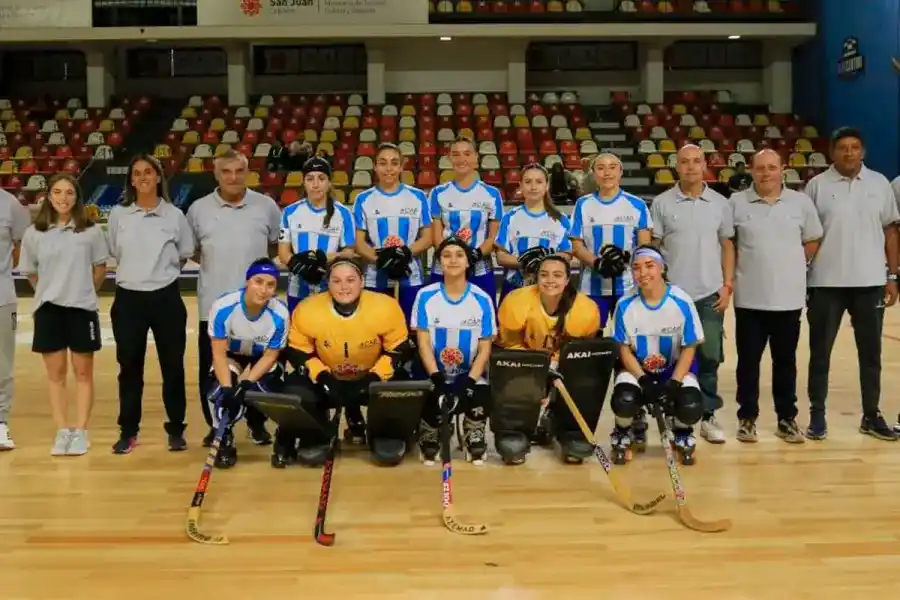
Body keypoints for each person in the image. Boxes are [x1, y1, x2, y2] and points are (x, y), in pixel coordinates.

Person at [804, 127, 899, 441]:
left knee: (870, 355)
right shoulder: (816, 186)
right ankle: (817, 416)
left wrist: (892, 276)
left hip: (870, 282)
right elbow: (807, 236)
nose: (849, 153)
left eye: (855, 147)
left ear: (863, 151)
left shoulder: (879, 184)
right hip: (825, 283)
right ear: (832, 152)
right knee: (820, 353)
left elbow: (890, 233)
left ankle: (871, 415)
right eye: (843, 148)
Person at [187, 149, 282, 447]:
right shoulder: (198, 209)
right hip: (214, 309)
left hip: (259, 311)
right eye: (226, 171)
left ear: (247, 173)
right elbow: (194, 250)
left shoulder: (266, 206)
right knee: (214, 370)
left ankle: (256, 424)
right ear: (216, 175)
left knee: (258, 369)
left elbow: (273, 247)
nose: (232, 177)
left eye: (238, 171)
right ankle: (217, 425)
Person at [730, 149, 823, 443]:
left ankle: (787, 418)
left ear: (782, 170)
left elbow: (812, 240)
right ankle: (747, 418)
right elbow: (728, 243)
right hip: (749, 299)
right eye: (760, 168)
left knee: (785, 362)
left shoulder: (801, 202)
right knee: (748, 363)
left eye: (772, 167)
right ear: (752, 170)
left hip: (788, 300)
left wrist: (792, 265)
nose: (766, 173)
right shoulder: (735, 203)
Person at [281, 259, 412, 467]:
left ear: (362, 282)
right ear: (328, 285)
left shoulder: (385, 306)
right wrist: (323, 377)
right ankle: (316, 433)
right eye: (337, 281)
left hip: (371, 378)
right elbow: (298, 351)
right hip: (328, 378)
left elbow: (399, 349)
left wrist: (375, 377)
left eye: (350, 280)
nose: (344, 287)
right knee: (294, 389)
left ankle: (385, 432)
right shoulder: (308, 309)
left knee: (404, 384)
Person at [107, 154, 195, 454]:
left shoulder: (174, 216)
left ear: (158, 177)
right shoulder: (119, 215)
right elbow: (115, 252)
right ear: (131, 180)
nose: (143, 177)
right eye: (137, 173)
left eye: (149, 172)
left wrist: (160, 274)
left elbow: (184, 253)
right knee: (129, 367)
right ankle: (128, 431)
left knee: (173, 366)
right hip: (128, 299)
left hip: (166, 298)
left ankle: (176, 429)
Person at [17, 173, 108, 456]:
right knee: (55, 375)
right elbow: (31, 272)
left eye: (69, 192)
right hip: (49, 311)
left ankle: (80, 431)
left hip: (82, 309)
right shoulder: (35, 233)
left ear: (77, 197)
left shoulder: (91, 231)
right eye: (57, 192)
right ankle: (62, 431)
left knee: (83, 373)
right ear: (49, 196)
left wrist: (82, 292)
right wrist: (48, 291)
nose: (63, 198)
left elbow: (100, 269)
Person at [650, 144, 734, 445]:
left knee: (710, 356)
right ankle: (675, 412)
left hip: (710, 293)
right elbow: (654, 248)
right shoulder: (661, 203)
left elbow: (727, 245)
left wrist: (726, 285)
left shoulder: (721, 204)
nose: (690, 167)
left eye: (696, 161)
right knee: (672, 356)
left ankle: (708, 414)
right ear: (676, 166)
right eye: (684, 162)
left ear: (705, 165)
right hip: (673, 296)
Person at [496, 254, 601, 463]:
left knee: (585, 380)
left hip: (562, 365)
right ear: (536, 277)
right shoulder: (517, 301)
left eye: (557, 275)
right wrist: (538, 367)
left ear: (567, 279)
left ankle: (569, 429)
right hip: (527, 361)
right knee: (510, 376)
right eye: (544, 275)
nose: (550, 280)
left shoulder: (585, 310)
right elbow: (509, 346)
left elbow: (581, 354)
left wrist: (556, 364)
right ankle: (516, 429)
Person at [609, 246, 703, 465]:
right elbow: (623, 349)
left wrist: (673, 383)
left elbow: (690, 347)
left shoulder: (682, 302)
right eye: (636, 268)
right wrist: (643, 380)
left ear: (662, 268)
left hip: (673, 368)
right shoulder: (625, 305)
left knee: (691, 406)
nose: (643, 273)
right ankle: (623, 430)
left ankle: (681, 430)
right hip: (638, 369)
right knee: (624, 399)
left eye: (649, 266)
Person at [412, 236, 496, 465]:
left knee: (481, 392)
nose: (453, 260)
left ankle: (473, 431)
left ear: (468, 262)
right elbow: (423, 344)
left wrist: (469, 382)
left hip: (469, 374)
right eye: (446, 255)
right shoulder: (425, 296)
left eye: (459, 255)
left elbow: (485, 348)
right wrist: (437, 379)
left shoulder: (482, 299)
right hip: (435, 374)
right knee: (426, 391)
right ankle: (432, 429)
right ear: (439, 262)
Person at [204, 258, 289, 468]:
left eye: (270, 285)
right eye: (258, 281)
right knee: (218, 394)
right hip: (232, 354)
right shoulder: (223, 306)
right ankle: (224, 437)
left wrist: (247, 383)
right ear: (247, 281)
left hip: (261, 356)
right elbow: (219, 353)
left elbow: (270, 356)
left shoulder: (280, 314)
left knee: (265, 390)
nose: (263, 290)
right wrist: (227, 388)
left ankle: (258, 424)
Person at [569, 153, 652, 329]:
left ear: (621, 172)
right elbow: (576, 245)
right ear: (593, 173)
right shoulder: (582, 205)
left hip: (628, 286)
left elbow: (645, 248)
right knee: (589, 336)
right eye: (600, 168)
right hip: (591, 287)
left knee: (629, 338)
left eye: (612, 167)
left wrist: (625, 257)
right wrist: (597, 262)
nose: (607, 172)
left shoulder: (637, 205)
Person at [354, 143, 432, 322]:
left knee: (409, 329)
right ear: (375, 166)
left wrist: (404, 255)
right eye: (382, 163)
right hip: (375, 277)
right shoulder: (363, 199)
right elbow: (359, 243)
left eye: (394, 163)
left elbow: (428, 238)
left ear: (401, 167)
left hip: (411, 276)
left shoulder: (418, 197)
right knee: (378, 328)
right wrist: (383, 260)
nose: (388, 168)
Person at [429, 136, 503, 303]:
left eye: (467, 153)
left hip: (480, 269)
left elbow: (493, 237)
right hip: (444, 269)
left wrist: (475, 255)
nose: (462, 159)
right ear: (449, 158)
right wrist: (451, 257)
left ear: (476, 156)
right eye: (455, 154)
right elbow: (436, 237)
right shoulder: (438, 193)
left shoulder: (492, 194)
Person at [278, 156, 355, 314]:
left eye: (321, 178)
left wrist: (323, 259)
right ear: (303, 182)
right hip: (296, 290)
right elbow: (283, 251)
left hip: (331, 289)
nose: (315, 184)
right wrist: (299, 265)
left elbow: (349, 251)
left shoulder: (343, 214)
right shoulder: (290, 212)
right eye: (310, 179)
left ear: (329, 182)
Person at [494, 163, 572, 304]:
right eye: (528, 182)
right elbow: (501, 257)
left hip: (550, 291)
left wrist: (542, 262)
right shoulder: (510, 217)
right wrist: (526, 262)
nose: (533, 187)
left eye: (539, 182)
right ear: (521, 186)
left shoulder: (561, 220)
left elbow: (568, 254)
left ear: (547, 185)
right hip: (514, 289)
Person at [0, 184, 31, 450]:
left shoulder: (10, 205)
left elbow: (21, 246)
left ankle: (0, 422)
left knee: (3, 363)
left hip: (1, 297)